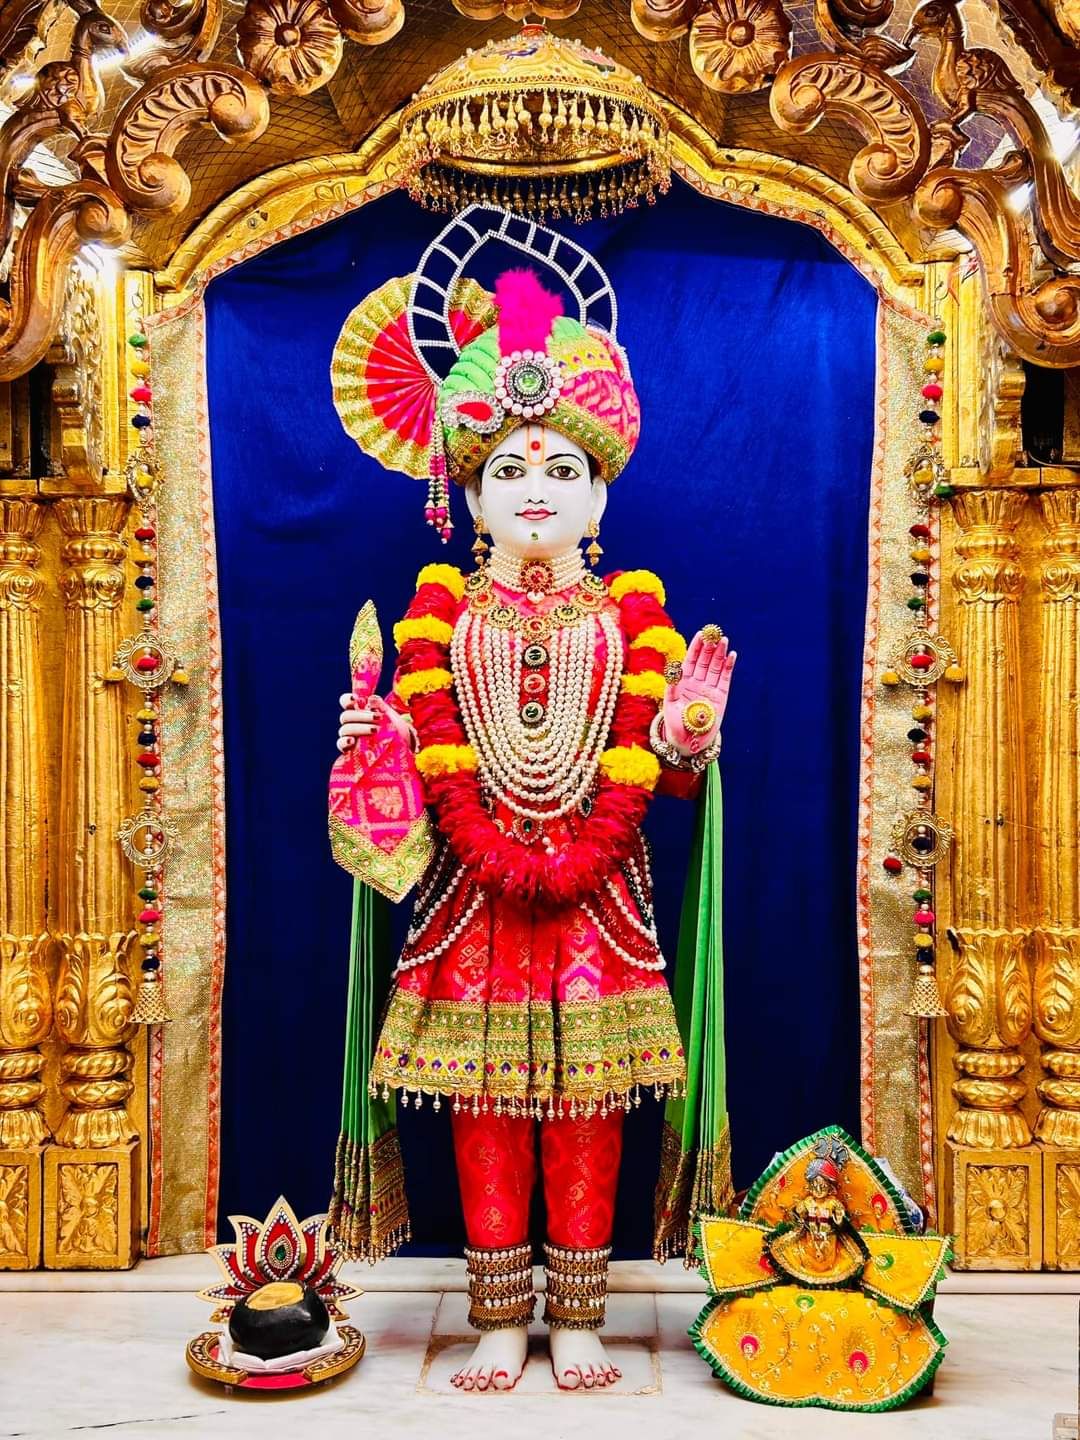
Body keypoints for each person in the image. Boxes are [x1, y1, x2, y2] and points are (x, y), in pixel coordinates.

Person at [331, 238, 734, 1392]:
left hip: (600, 898)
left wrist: (691, 742)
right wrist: (379, 751)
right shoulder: (437, 622)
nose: (538, 490)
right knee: (486, 1104)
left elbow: (669, 791)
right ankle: (500, 1313)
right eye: (510, 470)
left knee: (593, 1101)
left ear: (602, 491)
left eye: (562, 467)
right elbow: (410, 775)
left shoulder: (631, 624)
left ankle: (584, 1313)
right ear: (467, 494)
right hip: (472, 894)